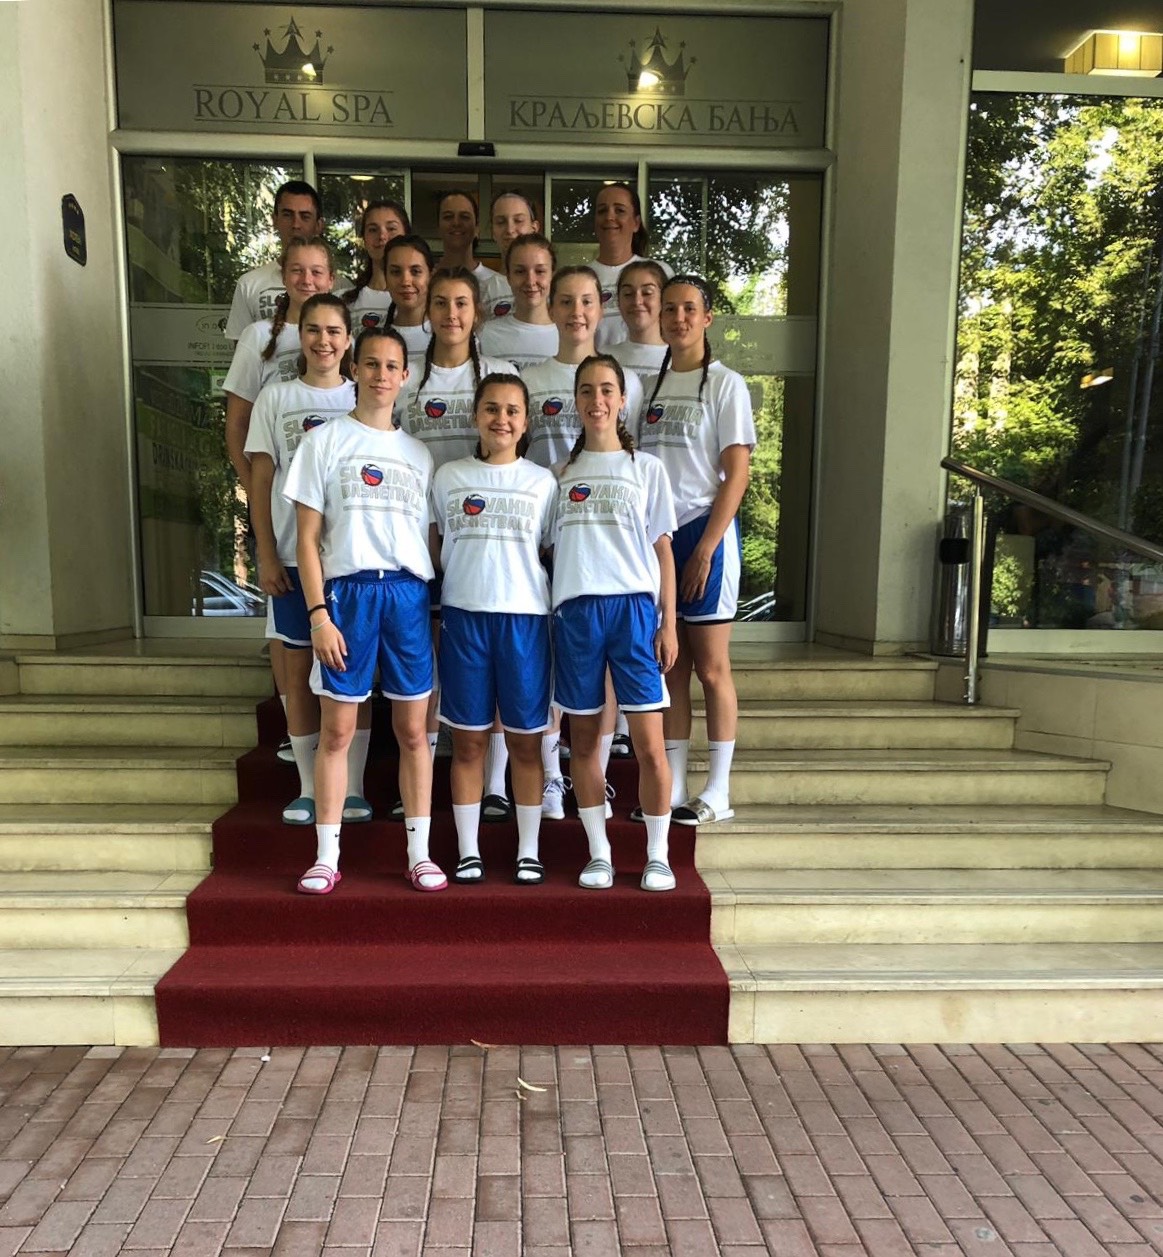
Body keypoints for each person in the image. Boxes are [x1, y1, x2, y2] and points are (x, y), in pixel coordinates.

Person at [284, 326, 444, 895]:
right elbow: (307, 541)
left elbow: (429, 541)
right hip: (347, 595)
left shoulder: (419, 454)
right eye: (371, 363)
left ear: (405, 376)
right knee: (338, 730)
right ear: (355, 369)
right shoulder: (324, 442)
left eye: (391, 365)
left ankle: (419, 854)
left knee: (414, 730)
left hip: (407, 595)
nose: (381, 374)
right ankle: (326, 857)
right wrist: (318, 615)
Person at [243, 293, 374, 828]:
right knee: (298, 672)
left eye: (334, 331)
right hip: (291, 557)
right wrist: (265, 553)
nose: (323, 340)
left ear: (349, 339)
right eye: (314, 330)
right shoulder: (275, 397)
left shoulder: (364, 395)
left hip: (349, 561)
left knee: (353, 672)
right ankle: (307, 788)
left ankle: (354, 788)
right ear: (301, 336)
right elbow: (260, 480)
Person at [550, 354, 678, 891]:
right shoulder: (559, 475)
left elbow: (663, 551)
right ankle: (598, 853)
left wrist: (668, 623)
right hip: (577, 612)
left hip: (633, 612)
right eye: (586, 390)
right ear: (576, 401)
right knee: (583, 742)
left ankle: (658, 855)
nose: (596, 399)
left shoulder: (646, 469)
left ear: (623, 399)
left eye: (607, 389)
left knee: (649, 744)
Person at [524, 266, 643, 818]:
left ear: (601, 308)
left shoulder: (622, 379)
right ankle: (553, 775)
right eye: (566, 301)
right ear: (551, 308)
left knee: (604, 674)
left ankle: (595, 771)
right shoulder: (530, 377)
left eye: (587, 301)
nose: (577, 312)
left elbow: (627, 457)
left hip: (602, 544)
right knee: (552, 662)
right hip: (553, 525)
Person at [637, 275, 756, 826]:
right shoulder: (648, 387)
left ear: (707, 318)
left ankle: (719, 790)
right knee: (672, 668)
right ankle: (677, 784)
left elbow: (737, 474)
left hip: (706, 530)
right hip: (660, 536)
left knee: (711, 667)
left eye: (689, 308)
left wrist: (707, 547)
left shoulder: (727, 385)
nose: (679, 318)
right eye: (670, 309)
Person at [431, 374, 557, 885]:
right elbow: (437, 544)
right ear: (475, 416)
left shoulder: (543, 483)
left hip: (525, 621)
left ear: (525, 422)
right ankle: (468, 851)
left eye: (511, 410)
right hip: (464, 618)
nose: (501, 419)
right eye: (491, 408)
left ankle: (528, 850)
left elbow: (550, 551)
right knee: (467, 744)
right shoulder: (448, 477)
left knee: (526, 744)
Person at [223, 237, 337, 493]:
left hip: (333, 492)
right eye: (297, 270)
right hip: (275, 489)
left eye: (316, 272)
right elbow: (237, 425)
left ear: (331, 279)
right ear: (283, 277)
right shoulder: (257, 336)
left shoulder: (344, 340)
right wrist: (255, 493)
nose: (307, 280)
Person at [224, 180, 326, 341]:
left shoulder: (340, 287)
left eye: (305, 216)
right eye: (287, 215)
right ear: (275, 220)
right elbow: (241, 348)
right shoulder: (249, 284)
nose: (296, 224)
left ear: (319, 225)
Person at [589, 183, 672, 350]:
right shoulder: (583, 277)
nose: (609, 217)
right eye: (602, 211)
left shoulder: (660, 272)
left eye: (619, 210)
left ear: (636, 223)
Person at [479, 233, 558, 369]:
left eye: (540, 271)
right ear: (508, 277)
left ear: (553, 276)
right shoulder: (485, 335)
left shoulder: (567, 335)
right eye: (520, 271)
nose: (530, 281)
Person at [344, 200, 410, 332]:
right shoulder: (343, 301)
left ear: (406, 235)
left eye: (391, 229)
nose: (382, 236)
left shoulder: (420, 299)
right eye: (373, 230)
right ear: (364, 238)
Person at [480, 191, 542, 319]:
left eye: (518, 220)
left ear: (534, 228)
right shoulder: (483, 290)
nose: (509, 229)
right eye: (501, 222)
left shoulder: (553, 287)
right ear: (492, 231)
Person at [607, 259, 669, 376]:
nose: (637, 301)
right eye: (628, 294)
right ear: (618, 301)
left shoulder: (677, 360)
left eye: (647, 293)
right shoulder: (603, 357)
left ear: (664, 299)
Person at [382, 234, 434, 361]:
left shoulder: (449, 334)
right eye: (396, 272)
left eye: (415, 272)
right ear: (386, 277)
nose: (406, 281)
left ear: (431, 277)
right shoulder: (373, 338)